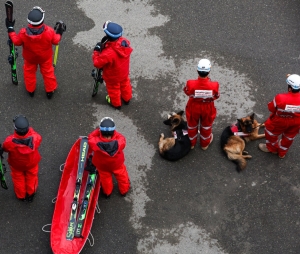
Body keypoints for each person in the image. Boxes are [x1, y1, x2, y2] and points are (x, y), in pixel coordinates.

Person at [5, 6, 66, 99]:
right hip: (45, 57)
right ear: (42, 20)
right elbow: (56, 40)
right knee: (48, 73)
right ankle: (50, 91)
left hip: (30, 58)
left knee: (29, 73)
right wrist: (59, 32)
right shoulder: (49, 31)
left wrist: (10, 29)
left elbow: (16, 42)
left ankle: (31, 90)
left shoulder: (23, 33)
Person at [92, 21, 133, 110]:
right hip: (124, 72)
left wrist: (96, 51)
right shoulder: (124, 42)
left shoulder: (108, 53)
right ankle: (127, 98)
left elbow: (97, 63)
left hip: (112, 76)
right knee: (125, 84)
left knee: (114, 90)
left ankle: (116, 104)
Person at [259, 74, 300, 158]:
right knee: (289, 138)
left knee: (271, 134)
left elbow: (271, 108)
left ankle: (272, 149)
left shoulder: (280, 98)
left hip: (279, 121)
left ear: (290, 88)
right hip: (296, 122)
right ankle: (282, 153)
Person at [2, 115, 42, 202]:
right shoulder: (35, 138)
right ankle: (31, 193)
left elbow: (5, 148)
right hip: (31, 163)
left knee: (18, 179)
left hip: (16, 165)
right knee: (32, 177)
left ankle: (21, 196)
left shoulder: (10, 141)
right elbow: (38, 138)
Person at [88, 117, 130, 198]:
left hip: (102, 166)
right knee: (122, 177)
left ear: (101, 131)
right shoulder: (119, 141)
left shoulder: (96, 142)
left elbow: (90, 137)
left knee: (105, 180)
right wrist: (114, 132)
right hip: (117, 164)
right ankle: (124, 191)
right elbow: (121, 137)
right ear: (113, 131)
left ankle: (107, 193)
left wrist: (97, 131)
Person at [183, 59, 220, 150]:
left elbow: (187, 92)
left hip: (193, 106)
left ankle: (191, 143)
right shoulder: (214, 85)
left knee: (191, 125)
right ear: (209, 71)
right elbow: (216, 96)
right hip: (208, 107)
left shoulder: (190, 83)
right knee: (206, 126)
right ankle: (204, 144)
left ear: (197, 70)